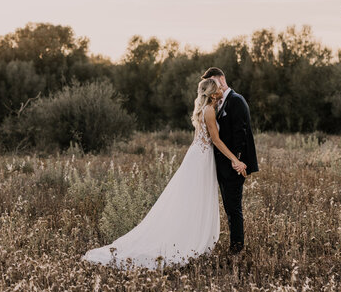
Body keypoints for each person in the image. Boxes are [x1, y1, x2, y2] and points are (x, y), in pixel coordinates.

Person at [81, 77, 247, 270]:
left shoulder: (203, 109)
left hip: (197, 154)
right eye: (217, 88)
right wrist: (235, 159)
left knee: (191, 198)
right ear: (211, 92)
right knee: (196, 199)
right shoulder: (209, 111)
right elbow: (216, 141)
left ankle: (188, 233)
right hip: (202, 158)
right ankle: (189, 239)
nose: (220, 90)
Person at [201, 67, 258, 253]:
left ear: (222, 79)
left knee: (234, 209)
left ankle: (237, 248)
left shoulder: (236, 100)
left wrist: (238, 161)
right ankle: (235, 246)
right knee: (229, 208)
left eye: (214, 82)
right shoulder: (217, 103)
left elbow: (241, 133)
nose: (213, 87)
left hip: (235, 165)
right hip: (224, 165)